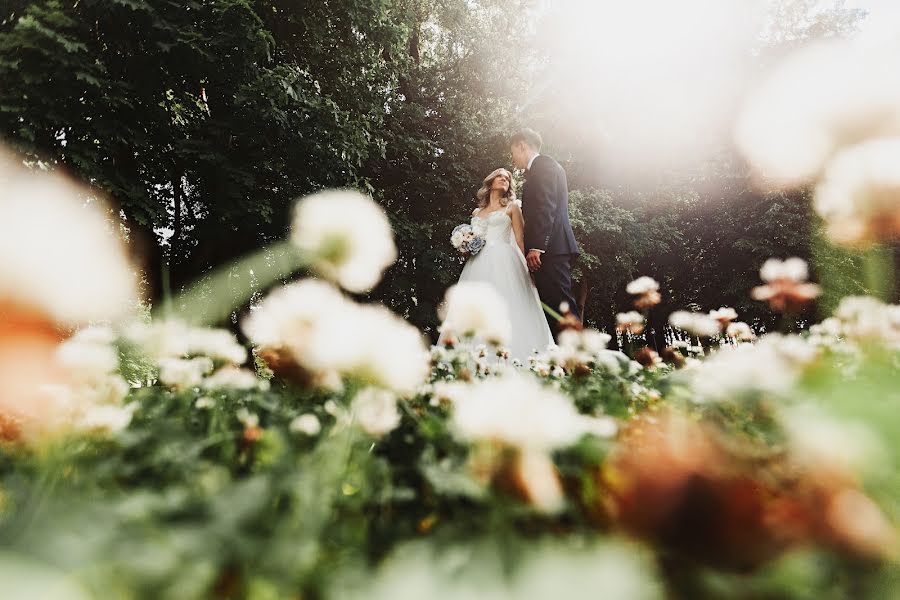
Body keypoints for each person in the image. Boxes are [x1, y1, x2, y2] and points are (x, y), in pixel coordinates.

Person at [440, 167, 553, 359]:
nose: (504, 179)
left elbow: (520, 240)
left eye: (507, 178)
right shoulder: (477, 212)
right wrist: (464, 247)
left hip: (504, 260)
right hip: (476, 265)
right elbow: (475, 238)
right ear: (490, 182)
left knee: (507, 305)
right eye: (500, 176)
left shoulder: (512, 208)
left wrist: (528, 270)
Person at [509, 128, 580, 339]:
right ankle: (565, 362)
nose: (513, 158)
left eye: (513, 152)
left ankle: (581, 360)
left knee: (562, 306)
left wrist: (537, 246)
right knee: (552, 306)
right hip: (550, 250)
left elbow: (546, 207)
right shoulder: (541, 169)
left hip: (551, 249)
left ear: (522, 146)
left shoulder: (545, 166)